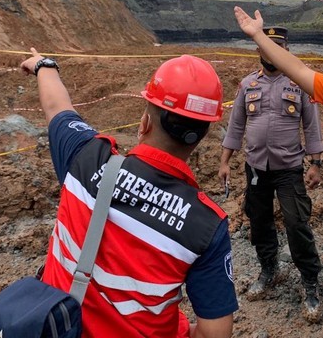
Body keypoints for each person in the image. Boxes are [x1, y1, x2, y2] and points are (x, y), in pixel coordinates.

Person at [20, 50, 238, 338]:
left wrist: (43, 66)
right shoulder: (206, 225)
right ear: (202, 134)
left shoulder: (86, 158)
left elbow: (57, 107)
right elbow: (215, 334)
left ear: (145, 121)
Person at [217, 26, 323, 323]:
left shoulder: (298, 83)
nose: (272, 51)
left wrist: (315, 164)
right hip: (256, 168)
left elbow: (312, 128)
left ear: (285, 50)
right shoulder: (247, 84)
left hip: (289, 169)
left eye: (278, 46)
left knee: (296, 223)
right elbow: (236, 126)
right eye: (267, 45)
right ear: (259, 49)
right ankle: (269, 269)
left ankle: (310, 282)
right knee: (260, 220)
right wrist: (225, 162)